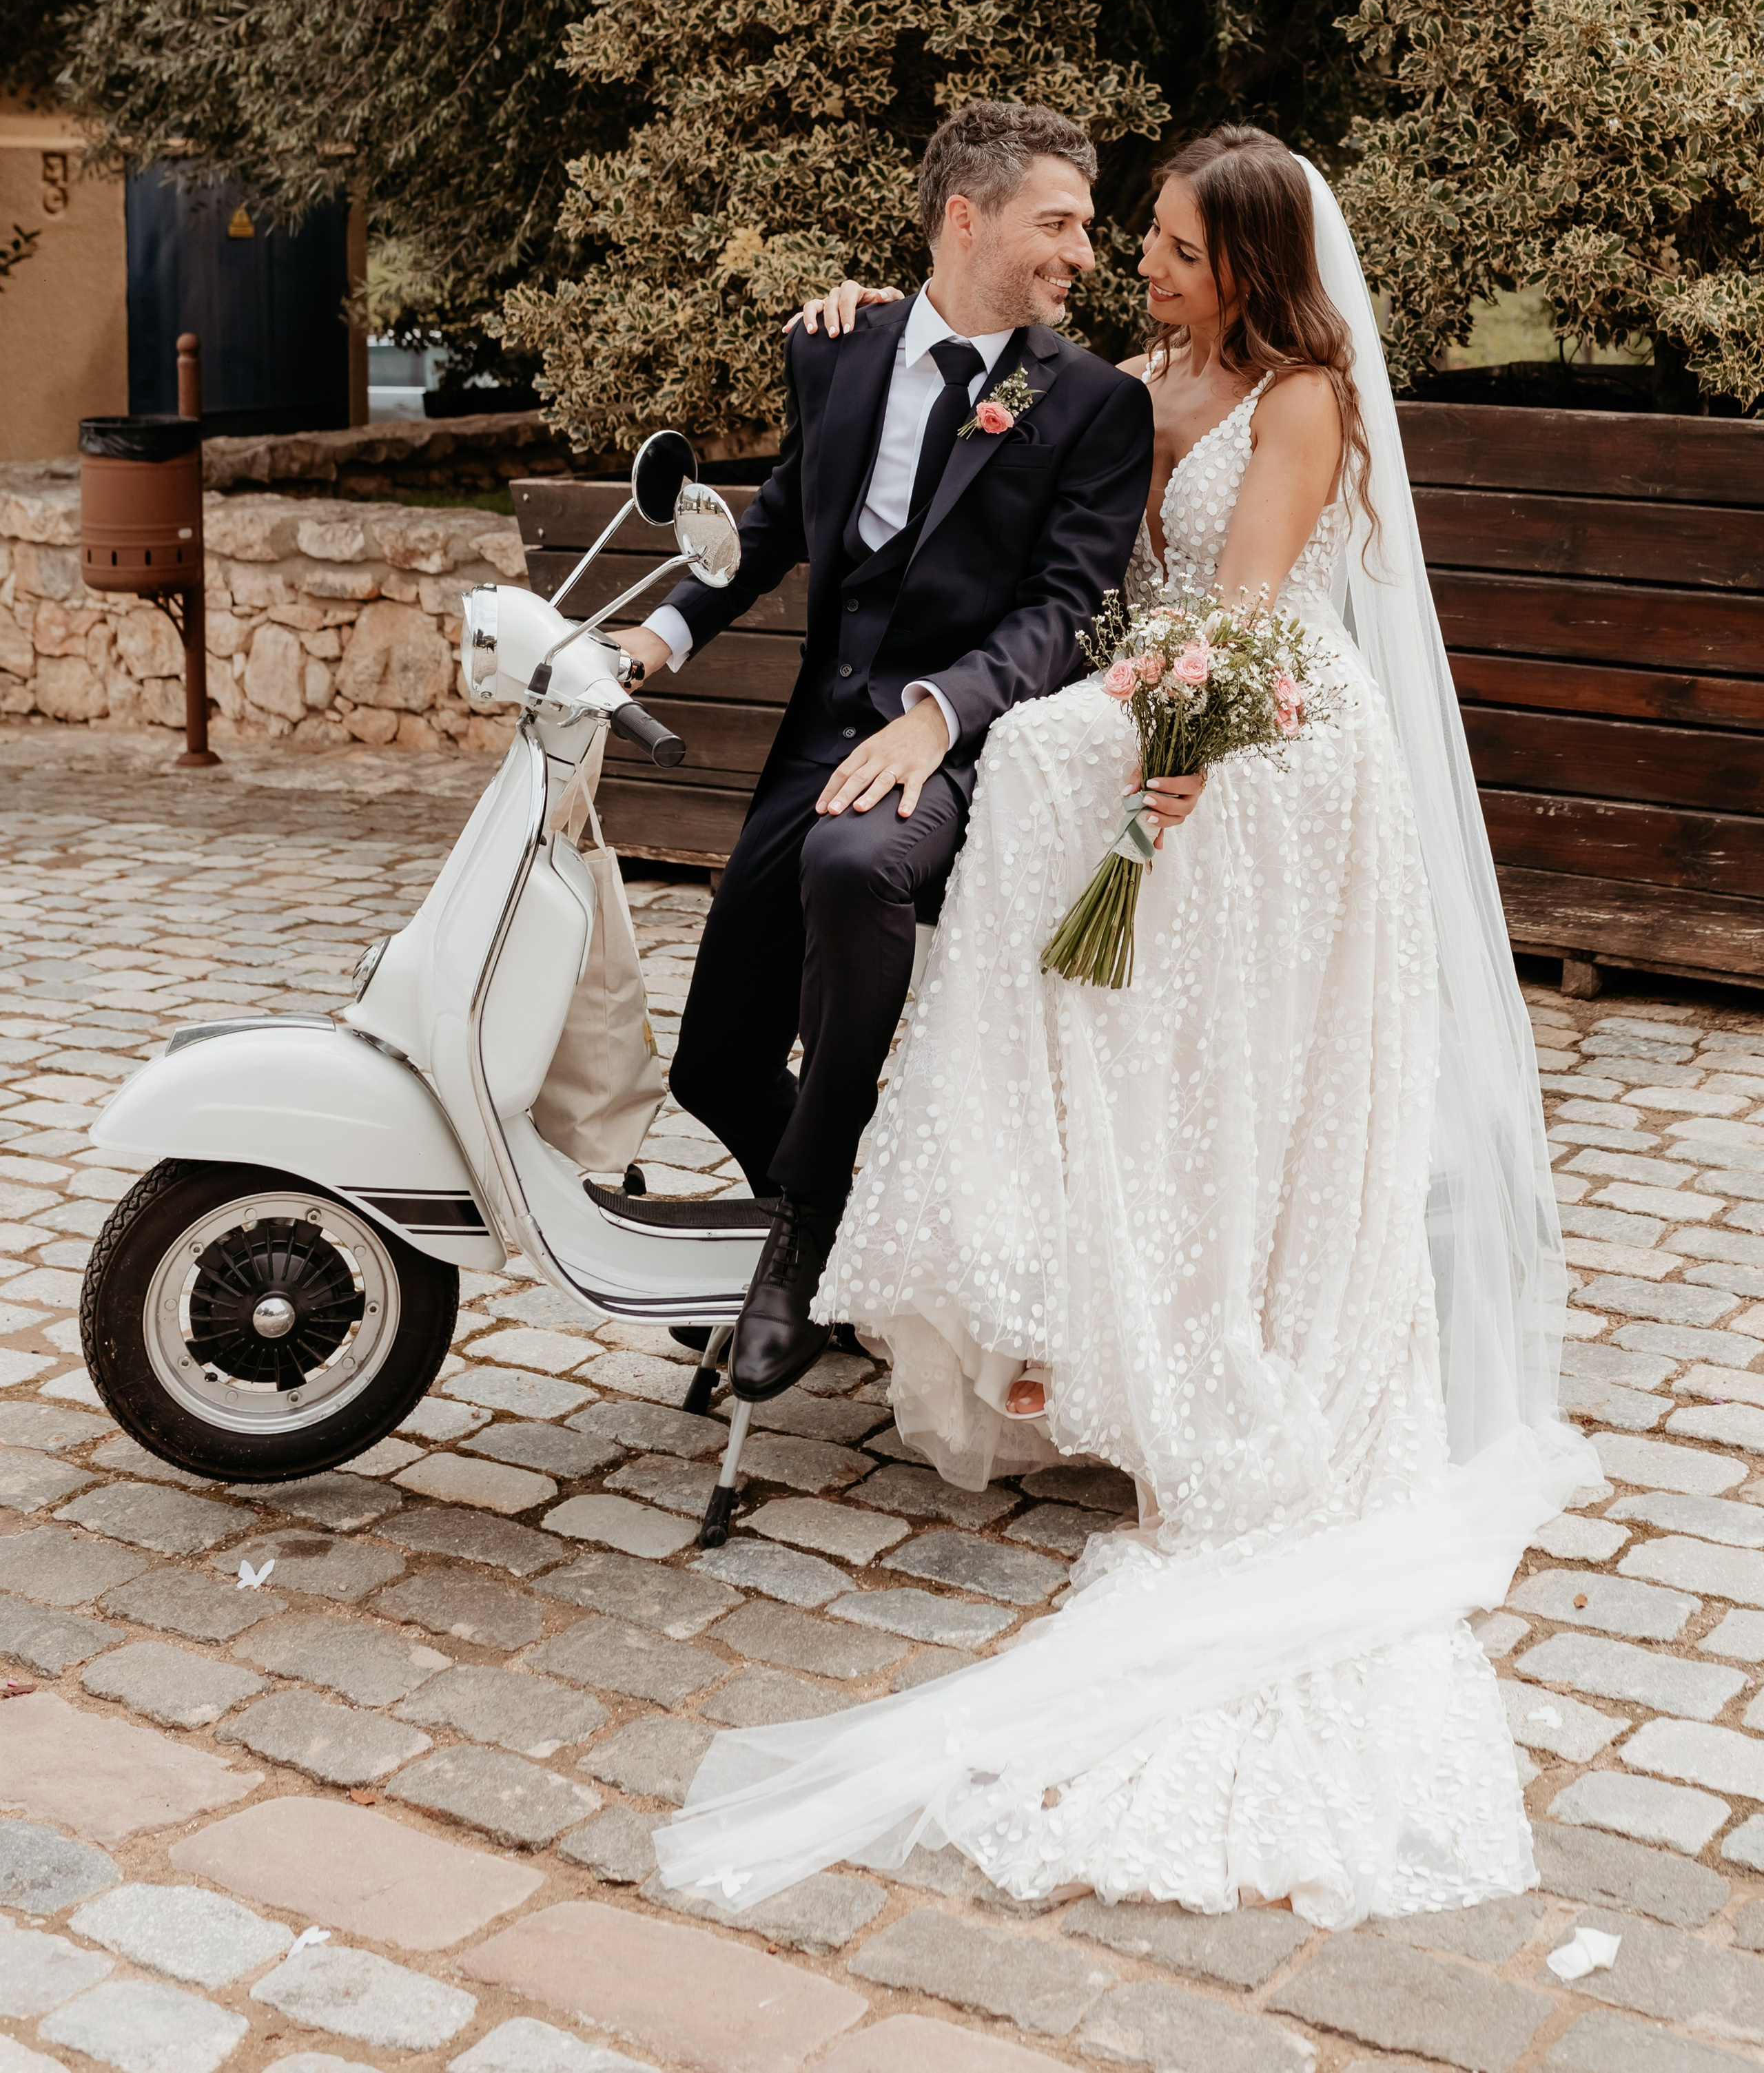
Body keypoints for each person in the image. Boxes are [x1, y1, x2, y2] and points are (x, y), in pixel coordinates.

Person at [652, 126, 1596, 1928]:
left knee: (1046, 777)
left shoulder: (1305, 399)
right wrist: (862, 317)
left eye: (1164, 245)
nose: (1137, 266)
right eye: (1122, 239)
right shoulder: (1120, 380)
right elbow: (996, 418)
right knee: (1042, 797)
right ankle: (1013, 1255)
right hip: (1144, 708)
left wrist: (1131, 745)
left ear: (1239, 261)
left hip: (1259, 737)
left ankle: (1052, 1277)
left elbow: (1236, 621)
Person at [618, 101, 1153, 1402]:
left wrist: (940, 712)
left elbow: (1069, 611)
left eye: (1086, 225)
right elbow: (782, 517)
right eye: (1059, 222)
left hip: (965, 742)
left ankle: (798, 1245)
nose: (1086, 250)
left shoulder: (1083, 402)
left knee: (858, 872)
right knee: (710, 1062)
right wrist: (668, 628)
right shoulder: (840, 349)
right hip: (819, 734)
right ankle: (856, 1221)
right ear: (965, 219)